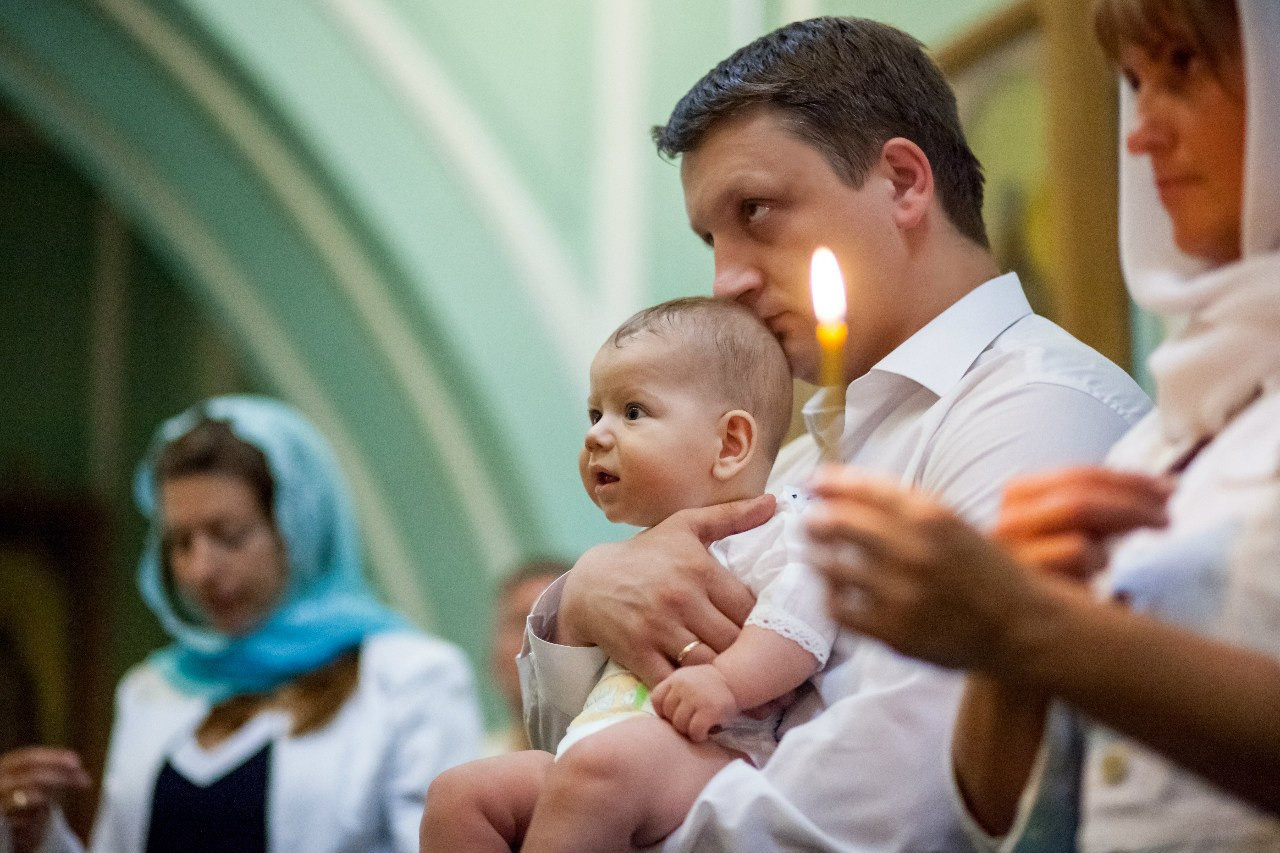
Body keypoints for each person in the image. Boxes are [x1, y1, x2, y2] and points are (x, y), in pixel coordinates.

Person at [517, 16, 1153, 853]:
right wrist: (580, 602)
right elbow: (579, 743)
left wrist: (613, 819)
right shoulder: (794, 452)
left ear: (902, 182)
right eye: (712, 238)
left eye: (757, 212)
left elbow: (918, 796)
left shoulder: (1035, 410)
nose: (726, 279)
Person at [807, 0, 1280, 850]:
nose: (1138, 133)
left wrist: (1026, 622)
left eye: (1182, 68)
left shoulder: (1048, 400)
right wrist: (1010, 648)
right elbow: (997, 813)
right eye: (1134, 83)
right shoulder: (1174, 426)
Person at [423, 296, 834, 852]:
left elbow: (800, 624)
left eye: (632, 412)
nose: (596, 435)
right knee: (462, 793)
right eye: (596, 414)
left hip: (712, 751)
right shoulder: (636, 558)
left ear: (730, 444)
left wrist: (724, 682)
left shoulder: (777, 530)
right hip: (599, 753)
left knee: (597, 772)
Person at [0, 396, 484, 853]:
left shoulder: (410, 678)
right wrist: (39, 835)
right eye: (181, 543)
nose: (200, 569)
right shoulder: (153, 690)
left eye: (229, 536)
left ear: (299, 529)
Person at [486, 559, 568, 754]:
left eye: (553, 620)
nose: (535, 641)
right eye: (520, 623)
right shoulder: (474, 769)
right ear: (494, 661)